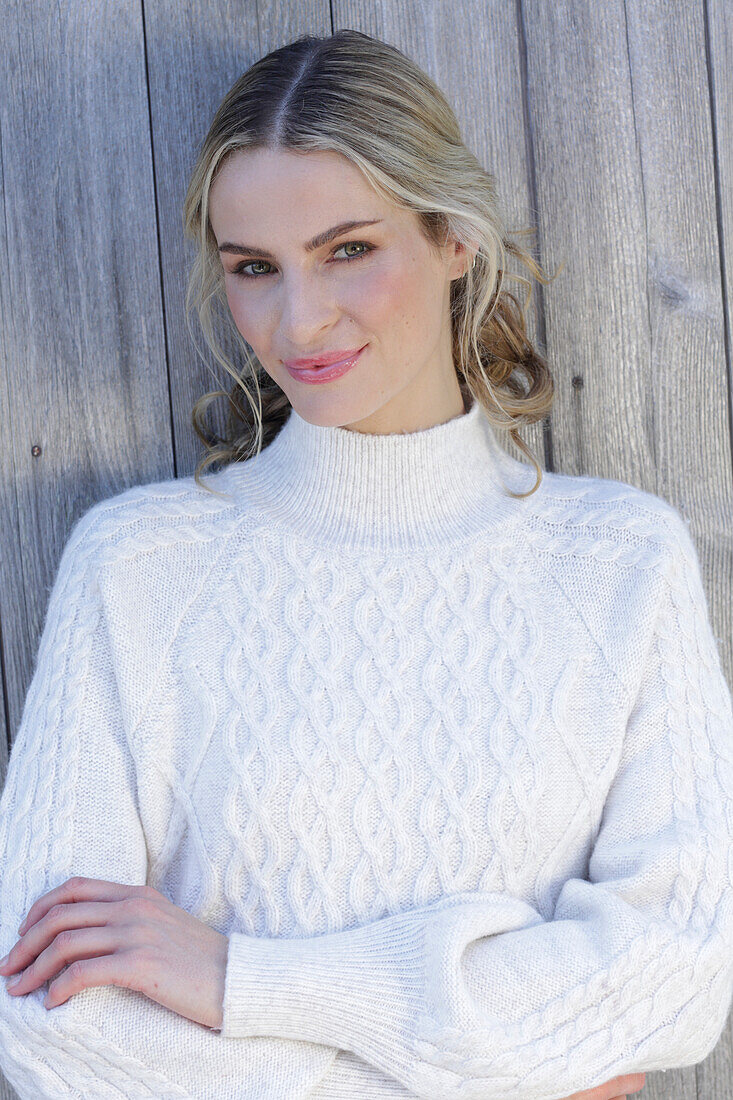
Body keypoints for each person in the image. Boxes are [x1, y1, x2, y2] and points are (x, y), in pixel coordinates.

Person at [0, 27, 730, 1100]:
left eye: (347, 249)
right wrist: (515, 1067)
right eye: (255, 268)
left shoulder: (622, 564)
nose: (300, 319)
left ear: (453, 240)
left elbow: (676, 975)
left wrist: (237, 978)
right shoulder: (136, 568)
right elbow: (46, 1026)